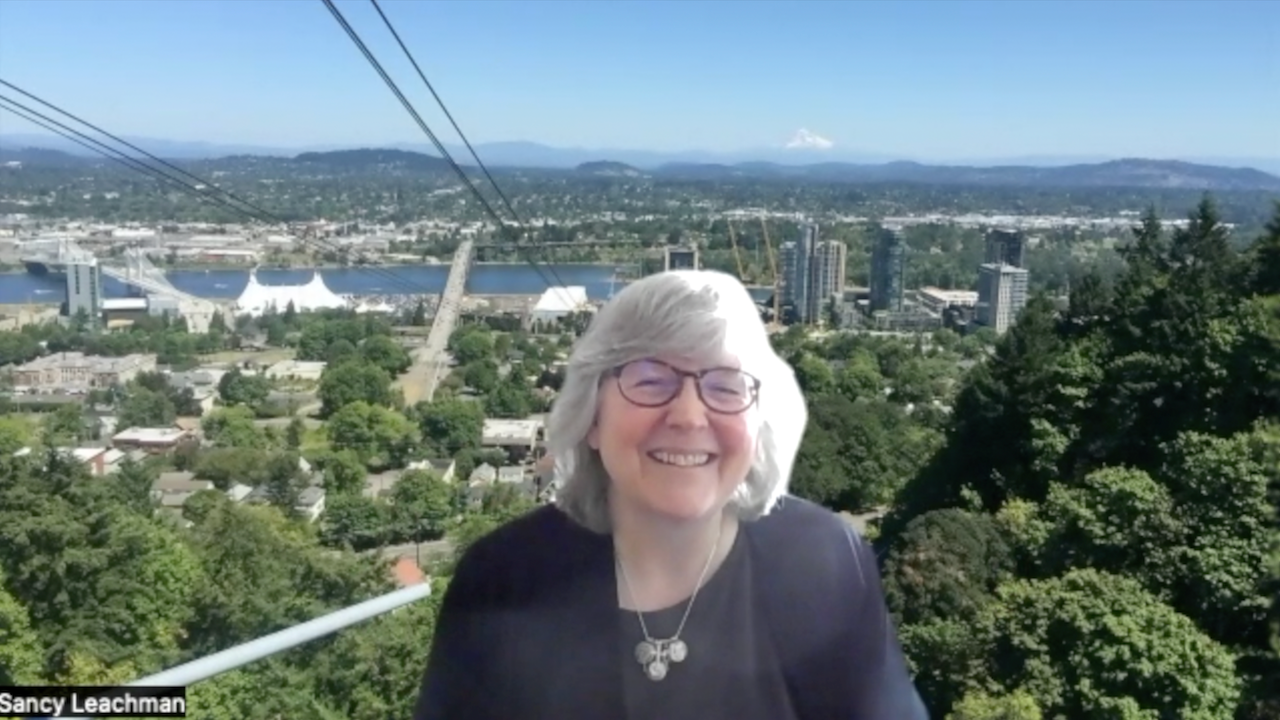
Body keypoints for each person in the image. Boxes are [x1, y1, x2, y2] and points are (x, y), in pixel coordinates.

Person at [412, 269, 928, 720]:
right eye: (650, 379)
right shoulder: (502, 579)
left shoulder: (825, 564)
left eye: (725, 386)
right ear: (592, 418)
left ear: (756, 421)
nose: (687, 416)